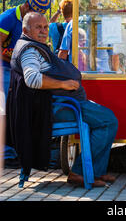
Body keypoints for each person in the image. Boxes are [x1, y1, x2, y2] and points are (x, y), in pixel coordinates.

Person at [6, 12, 118, 187]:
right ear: (25, 29)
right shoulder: (29, 51)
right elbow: (32, 79)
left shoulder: (31, 45)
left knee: (104, 117)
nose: (44, 31)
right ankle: (80, 172)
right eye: (38, 27)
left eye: (45, 27)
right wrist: (64, 84)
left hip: (61, 104)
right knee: (108, 120)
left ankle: (95, 171)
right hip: (57, 108)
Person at [0, 0, 50, 168]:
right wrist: (14, 60)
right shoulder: (8, 18)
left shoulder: (31, 18)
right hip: (4, 69)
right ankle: (5, 153)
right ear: (27, 6)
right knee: (6, 109)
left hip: (17, 69)